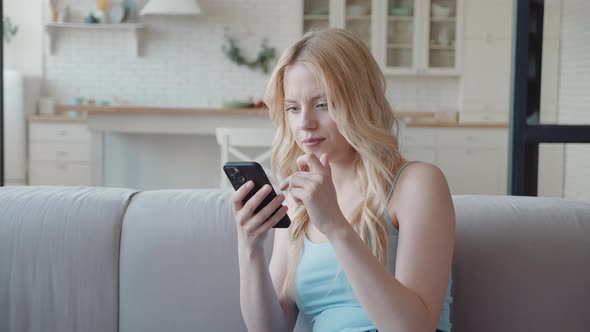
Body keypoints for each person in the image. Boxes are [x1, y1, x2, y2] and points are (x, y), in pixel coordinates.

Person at [231, 28, 455, 332]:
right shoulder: (300, 198)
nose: (305, 123)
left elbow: (413, 328)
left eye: (322, 105)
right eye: (293, 108)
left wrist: (335, 225)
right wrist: (250, 248)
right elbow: (268, 329)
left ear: (359, 102)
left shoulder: (417, 183)